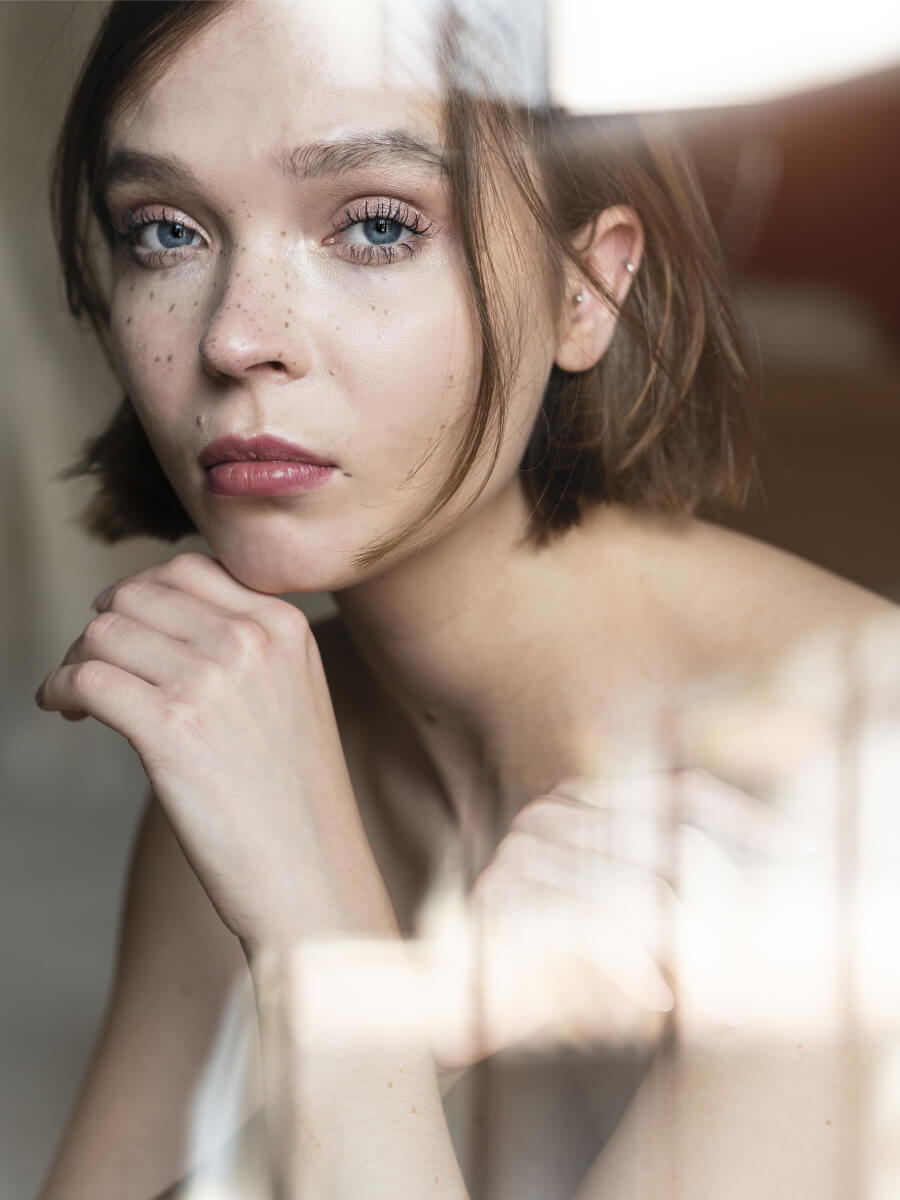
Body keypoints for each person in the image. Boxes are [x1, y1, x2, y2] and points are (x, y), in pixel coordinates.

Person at [34, 1, 900, 1197]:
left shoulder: (848, 820)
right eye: (167, 231)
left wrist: (330, 964)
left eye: (376, 226)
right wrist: (408, 1030)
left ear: (585, 289)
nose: (237, 336)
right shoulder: (260, 733)